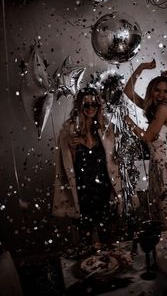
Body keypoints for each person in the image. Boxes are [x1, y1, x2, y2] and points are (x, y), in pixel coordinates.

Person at [52, 87, 123, 246]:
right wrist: (71, 147)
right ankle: (89, 268)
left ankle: (108, 266)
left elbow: (112, 161)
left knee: (107, 238)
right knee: (85, 239)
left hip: (103, 190)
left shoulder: (105, 128)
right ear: (79, 106)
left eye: (94, 104)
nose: (91, 108)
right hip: (83, 191)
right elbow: (66, 166)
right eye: (86, 105)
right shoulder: (69, 130)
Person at [124, 60, 167, 230]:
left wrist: (129, 121)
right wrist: (141, 67)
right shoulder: (154, 108)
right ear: (151, 91)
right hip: (157, 166)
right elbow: (128, 91)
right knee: (157, 214)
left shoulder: (164, 109)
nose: (161, 94)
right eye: (157, 90)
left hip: (166, 168)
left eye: (165, 91)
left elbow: (147, 137)